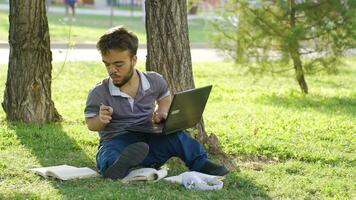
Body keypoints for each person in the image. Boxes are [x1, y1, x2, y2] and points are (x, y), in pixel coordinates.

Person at [84, 26, 229, 180]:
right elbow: (91, 124)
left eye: (118, 65)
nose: (112, 70)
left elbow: (165, 97)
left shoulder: (154, 81)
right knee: (110, 152)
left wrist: (163, 110)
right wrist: (100, 120)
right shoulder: (99, 92)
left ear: (133, 60)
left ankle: (201, 163)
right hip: (118, 140)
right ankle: (115, 167)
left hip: (150, 139)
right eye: (107, 64)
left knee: (177, 136)